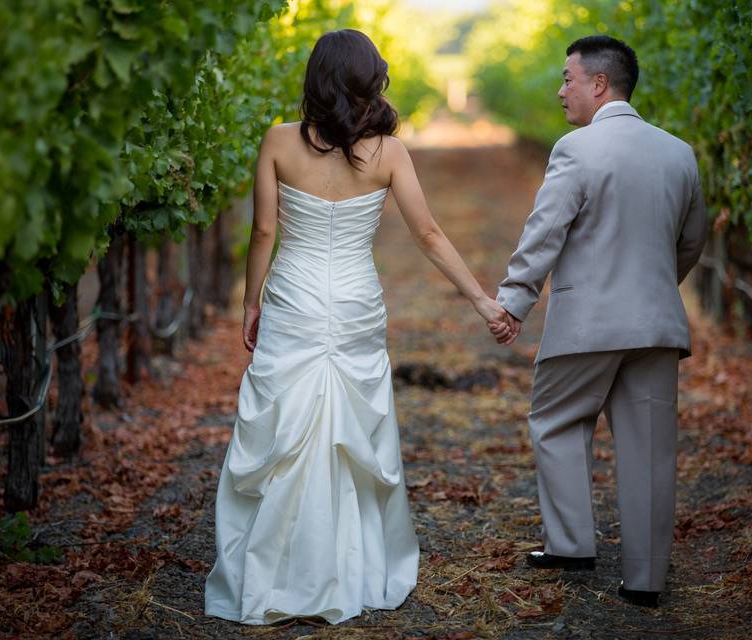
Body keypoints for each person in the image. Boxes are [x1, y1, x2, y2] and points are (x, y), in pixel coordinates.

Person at [204, 29, 513, 625]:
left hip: (293, 299)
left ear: (316, 77)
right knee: (349, 431)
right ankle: (352, 565)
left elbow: (263, 234)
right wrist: (482, 300)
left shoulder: (276, 142)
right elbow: (427, 235)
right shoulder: (389, 152)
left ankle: (275, 569)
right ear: (370, 80)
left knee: (284, 428)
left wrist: (250, 303)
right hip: (352, 301)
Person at [490, 35, 708, 608]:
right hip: (658, 325)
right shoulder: (679, 153)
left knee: (557, 421)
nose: (561, 91)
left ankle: (570, 544)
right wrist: (652, 289)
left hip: (587, 324)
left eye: (567, 78)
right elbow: (690, 244)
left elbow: (544, 233)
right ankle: (645, 581)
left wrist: (513, 302)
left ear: (599, 84)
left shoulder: (576, 150)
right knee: (650, 450)